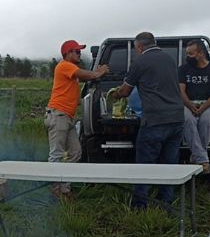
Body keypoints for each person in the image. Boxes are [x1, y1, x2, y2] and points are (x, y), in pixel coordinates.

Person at [112, 32, 184, 209]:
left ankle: (140, 205)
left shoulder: (140, 62)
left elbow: (126, 91)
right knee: (169, 164)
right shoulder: (169, 60)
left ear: (139, 47)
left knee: (145, 165)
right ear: (155, 43)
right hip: (176, 118)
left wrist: (115, 93)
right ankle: (165, 203)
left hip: (154, 120)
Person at [46, 40, 109, 199]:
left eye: (80, 52)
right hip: (58, 115)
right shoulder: (65, 66)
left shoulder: (70, 69)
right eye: (77, 51)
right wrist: (99, 72)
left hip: (67, 117)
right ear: (67, 53)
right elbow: (87, 75)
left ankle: (65, 188)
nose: (80, 54)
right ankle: (56, 191)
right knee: (56, 155)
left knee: (75, 152)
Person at [179, 39, 210, 174]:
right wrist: (190, 105)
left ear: (201, 53)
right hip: (187, 103)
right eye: (187, 53)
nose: (188, 57)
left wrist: (203, 107)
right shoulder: (183, 69)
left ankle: (196, 157)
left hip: (208, 104)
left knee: (206, 121)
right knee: (187, 119)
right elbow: (181, 91)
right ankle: (203, 160)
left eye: (191, 54)